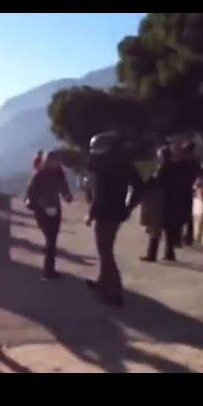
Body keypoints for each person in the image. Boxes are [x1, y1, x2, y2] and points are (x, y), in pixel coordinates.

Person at [84, 131, 143, 307]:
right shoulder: (124, 163)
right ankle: (103, 282)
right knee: (105, 250)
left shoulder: (101, 164)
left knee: (105, 252)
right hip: (116, 211)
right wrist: (128, 207)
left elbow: (98, 193)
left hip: (105, 212)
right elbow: (139, 187)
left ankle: (116, 293)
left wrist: (91, 212)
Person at [25, 150, 73, 280]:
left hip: (55, 209)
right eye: (52, 160)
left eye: (56, 161)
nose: (55, 163)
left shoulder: (59, 174)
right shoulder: (38, 175)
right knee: (51, 239)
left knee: (52, 238)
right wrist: (39, 203)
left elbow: (64, 187)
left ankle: (49, 264)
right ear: (46, 161)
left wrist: (67, 195)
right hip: (42, 210)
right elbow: (30, 193)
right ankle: (48, 271)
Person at [140, 146, 178, 262]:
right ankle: (169, 253)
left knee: (155, 227)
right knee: (168, 227)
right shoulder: (174, 166)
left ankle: (152, 254)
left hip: (160, 199)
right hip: (171, 199)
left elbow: (155, 182)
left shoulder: (163, 168)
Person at [175, 142, 202, 246]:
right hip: (188, 190)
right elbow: (198, 175)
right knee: (188, 215)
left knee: (179, 215)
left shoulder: (181, 161)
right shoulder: (195, 161)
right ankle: (188, 238)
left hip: (181, 190)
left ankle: (179, 238)